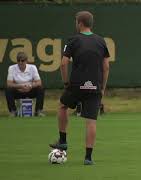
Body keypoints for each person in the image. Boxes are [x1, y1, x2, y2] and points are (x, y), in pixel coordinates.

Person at [49, 11, 110, 165]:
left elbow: (63, 63)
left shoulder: (73, 40)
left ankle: (63, 141)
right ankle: (88, 158)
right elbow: (106, 66)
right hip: (95, 85)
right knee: (91, 121)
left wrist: (65, 83)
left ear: (80, 23)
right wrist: (102, 87)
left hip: (76, 85)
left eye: (76, 21)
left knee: (63, 106)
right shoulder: (101, 41)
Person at [5, 52, 45, 117]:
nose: (20, 62)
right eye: (18, 60)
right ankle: (13, 111)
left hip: (30, 90)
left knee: (40, 88)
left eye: (22, 61)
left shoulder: (32, 67)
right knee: (8, 89)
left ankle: (38, 111)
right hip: (18, 91)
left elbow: (39, 82)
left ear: (26, 61)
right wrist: (20, 86)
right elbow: (9, 84)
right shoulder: (11, 68)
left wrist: (30, 86)